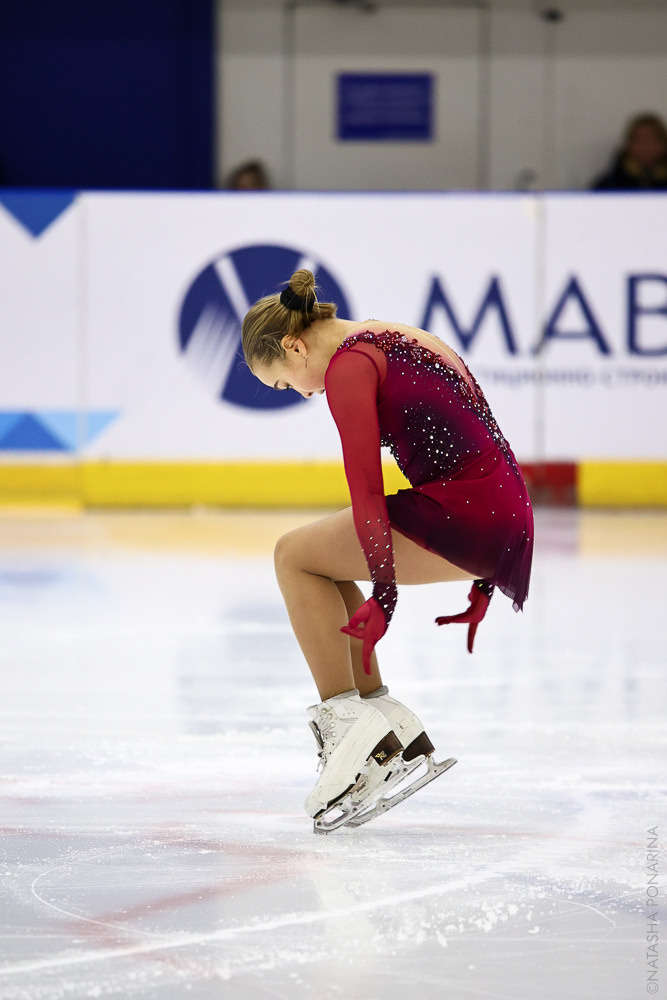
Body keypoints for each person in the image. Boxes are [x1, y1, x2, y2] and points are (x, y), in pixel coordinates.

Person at [241, 270, 534, 831]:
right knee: (320, 564)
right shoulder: (393, 334)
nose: (303, 394)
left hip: (466, 513)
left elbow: (366, 490)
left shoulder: (350, 368)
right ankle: (382, 721)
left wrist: (386, 588)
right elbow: (484, 430)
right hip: (502, 506)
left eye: (286, 384)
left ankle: (349, 727)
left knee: (292, 556)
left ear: (294, 346)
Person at [591, 113, 667, 191]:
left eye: (652, 140)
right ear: (629, 145)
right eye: (640, 140)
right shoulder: (607, 186)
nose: (646, 146)